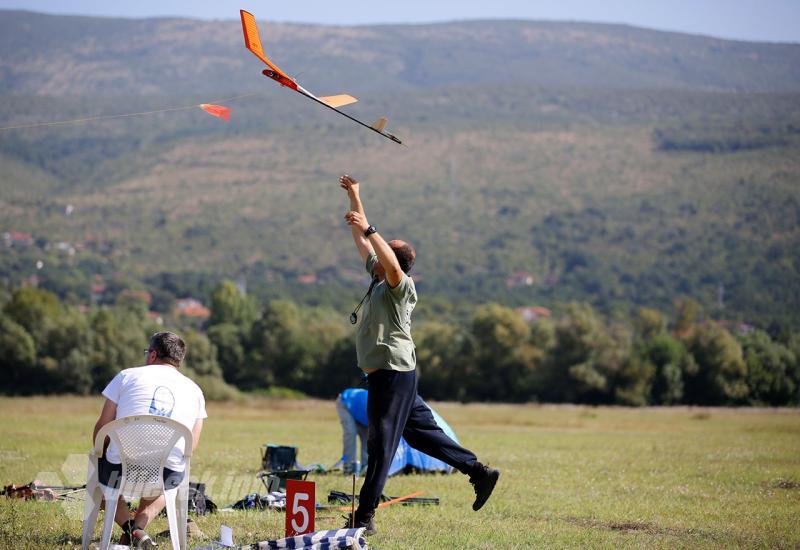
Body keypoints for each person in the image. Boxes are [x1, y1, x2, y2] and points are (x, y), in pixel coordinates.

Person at [339, 174, 500, 535]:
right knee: (422, 434)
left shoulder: (399, 286)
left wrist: (370, 228)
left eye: (383, 249)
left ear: (393, 261)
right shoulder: (379, 279)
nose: (375, 254)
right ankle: (479, 472)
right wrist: (355, 198)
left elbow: (384, 256)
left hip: (393, 373)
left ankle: (363, 519)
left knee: (381, 442)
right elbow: (363, 243)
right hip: (394, 373)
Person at [91, 331, 207, 549]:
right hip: (166, 475)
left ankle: (130, 530)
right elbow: (191, 446)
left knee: (98, 479)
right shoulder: (195, 391)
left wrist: (103, 455)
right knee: (171, 480)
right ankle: (138, 529)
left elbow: (102, 429)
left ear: (153, 355)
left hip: (120, 470)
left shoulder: (125, 376)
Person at [335, 388, 369, 475]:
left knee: (368, 437)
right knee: (351, 433)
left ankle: (366, 467)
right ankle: (349, 467)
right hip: (345, 402)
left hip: (359, 410)